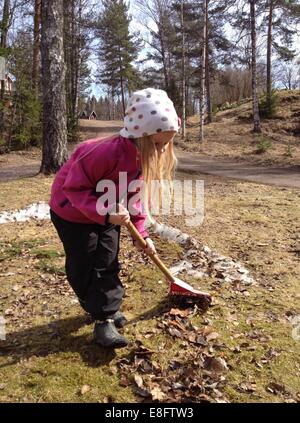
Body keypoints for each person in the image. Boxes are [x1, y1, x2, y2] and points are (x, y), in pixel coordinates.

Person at [49, 87, 180, 348]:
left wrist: (141, 233)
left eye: (167, 143)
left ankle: (105, 311)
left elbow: (135, 199)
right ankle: (100, 312)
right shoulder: (102, 153)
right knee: (85, 263)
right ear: (140, 136)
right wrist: (105, 211)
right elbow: (73, 189)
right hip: (71, 213)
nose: (163, 150)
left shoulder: (141, 158)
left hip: (111, 214)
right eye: (158, 144)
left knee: (107, 258)